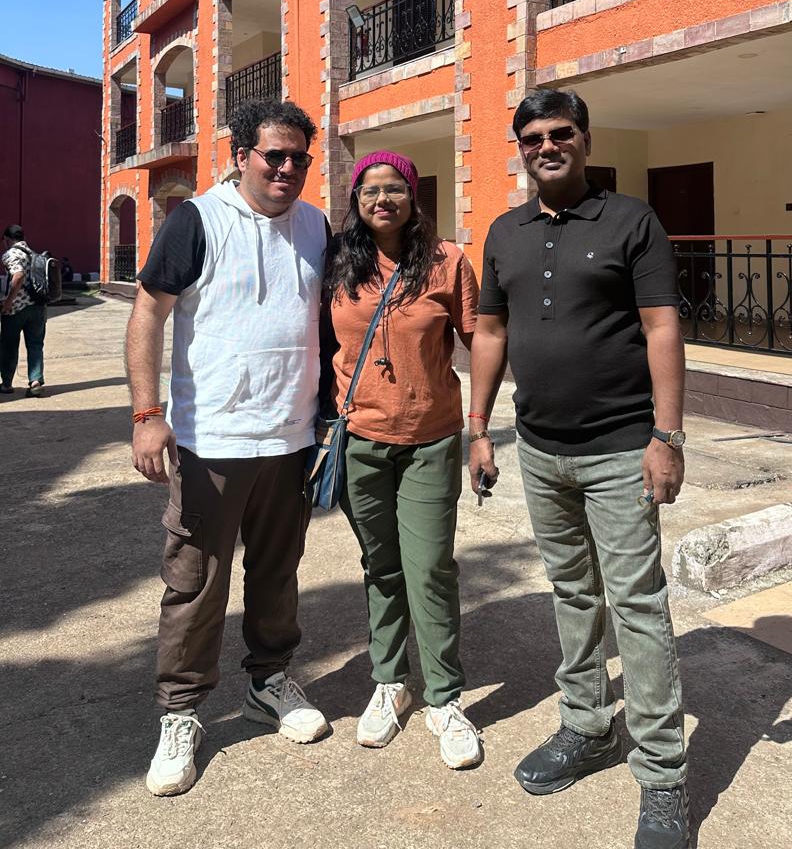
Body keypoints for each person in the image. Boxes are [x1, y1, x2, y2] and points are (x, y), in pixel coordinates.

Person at [468, 89, 689, 849]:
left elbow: (661, 327)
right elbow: (489, 332)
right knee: (571, 592)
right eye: (532, 138)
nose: (547, 147)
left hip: (621, 449)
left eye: (560, 134)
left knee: (637, 606)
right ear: (521, 149)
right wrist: (479, 430)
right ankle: (588, 726)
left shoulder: (631, 220)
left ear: (585, 140)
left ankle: (663, 775)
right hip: (539, 450)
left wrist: (667, 436)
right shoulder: (505, 231)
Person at [126, 98, 332, 798]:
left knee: (277, 573)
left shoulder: (316, 225)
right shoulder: (197, 220)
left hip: (290, 438)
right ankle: (181, 712)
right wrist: (147, 414)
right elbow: (148, 312)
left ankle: (269, 683)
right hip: (211, 439)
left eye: (299, 157)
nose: (287, 168)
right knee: (195, 582)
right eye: (274, 155)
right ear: (241, 156)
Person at [329, 150, 482, 769]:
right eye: (370, 190)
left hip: (430, 438)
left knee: (430, 569)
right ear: (356, 200)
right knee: (381, 567)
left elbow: (482, 339)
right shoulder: (338, 263)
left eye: (394, 188)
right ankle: (391, 682)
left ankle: (445, 697)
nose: (382, 199)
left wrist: (481, 424)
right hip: (359, 439)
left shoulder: (447, 261)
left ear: (413, 197)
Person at [1, 225, 47, 397]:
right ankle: (35, 382)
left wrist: (8, 301)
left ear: (7, 239)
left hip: (16, 309)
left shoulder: (10, 254)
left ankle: (6, 384)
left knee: (9, 346)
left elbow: (18, 275)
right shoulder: (34, 254)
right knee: (35, 345)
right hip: (38, 307)